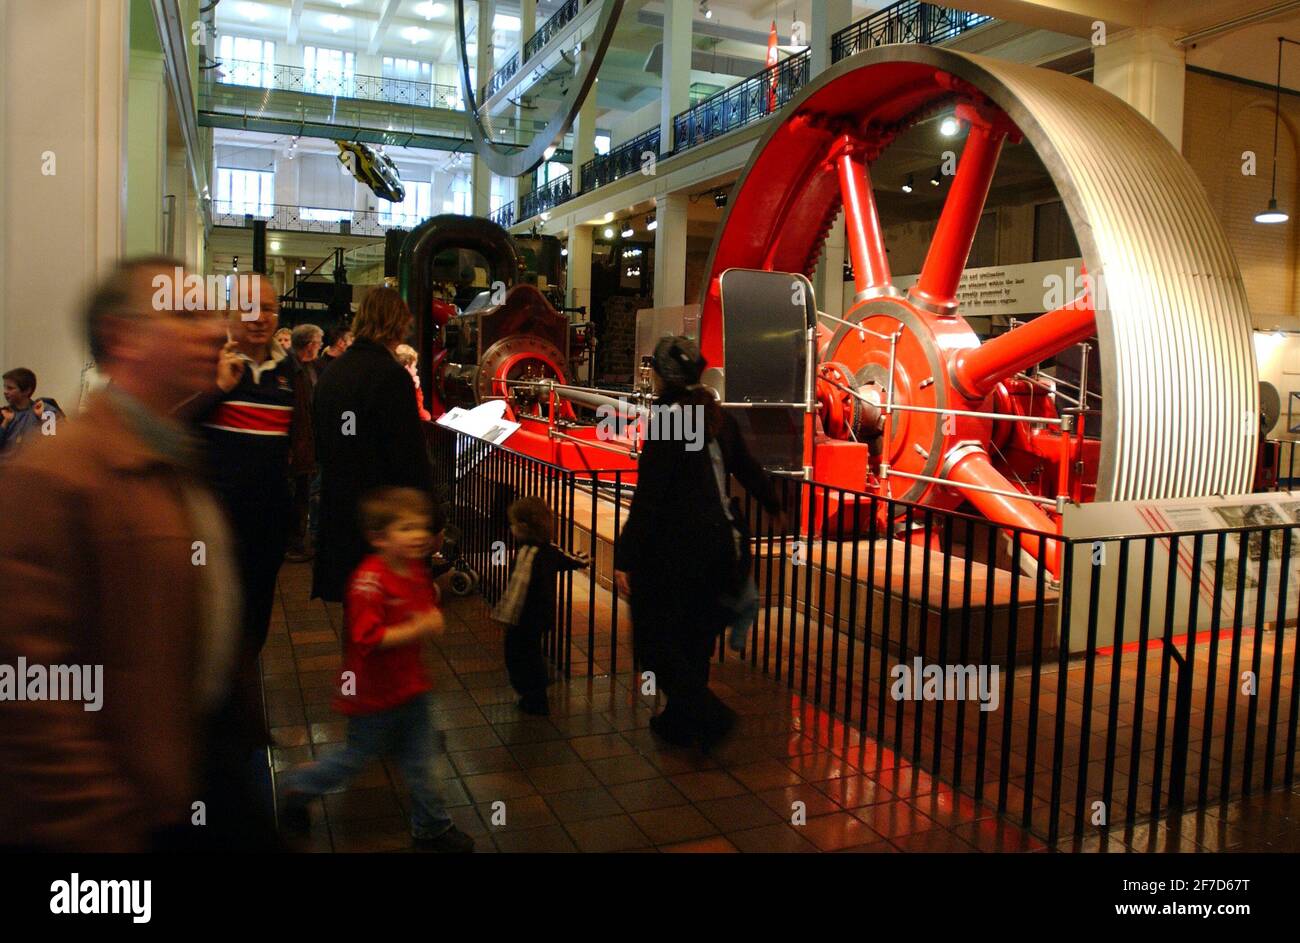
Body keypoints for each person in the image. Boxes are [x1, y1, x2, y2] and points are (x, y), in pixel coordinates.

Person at [0, 256, 243, 851]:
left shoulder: (171, 450)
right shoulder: (56, 475)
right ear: (123, 338)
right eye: (188, 314)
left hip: (197, 774)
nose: (216, 329)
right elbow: (28, 687)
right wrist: (106, 831)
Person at [613, 336, 782, 752]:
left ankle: (708, 715)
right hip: (722, 547)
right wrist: (774, 502)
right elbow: (745, 467)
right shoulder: (714, 415)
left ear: (661, 377)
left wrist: (626, 556)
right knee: (695, 635)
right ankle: (681, 721)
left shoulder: (670, 419)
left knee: (657, 640)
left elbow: (651, 498)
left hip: (677, 553)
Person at [282, 487, 474, 853]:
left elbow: (420, 601)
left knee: (422, 761)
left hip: (411, 688)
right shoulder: (369, 581)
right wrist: (418, 627)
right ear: (379, 537)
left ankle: (431, 828)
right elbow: (366, 638)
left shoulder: (413, 571)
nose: (418, 535)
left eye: (421, 527)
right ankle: (298, 786)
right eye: (406, 528)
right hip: (373, 694)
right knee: (354, 759)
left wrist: (435, 597)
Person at [313, 288, 433, 603]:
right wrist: (433, 519)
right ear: (397, 323)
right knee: (388, 609)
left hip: (340, 507)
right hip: (385, 516)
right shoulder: (391, 376)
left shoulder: (333, 372)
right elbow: (409, 456)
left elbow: (322, 440)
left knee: (357, 607)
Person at [492, 497, 590, 716]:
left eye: (513, 524)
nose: (511, 528)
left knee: (517, 655)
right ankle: (538, 690)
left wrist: (504, 614)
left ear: (523, 528)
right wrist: (584, 559)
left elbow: (517, 589)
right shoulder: (549, 550)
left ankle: (532, 696)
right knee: (533, 653)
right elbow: (570, 559)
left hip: (523, 617)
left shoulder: (527, 554)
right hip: (543, 616)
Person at [286, 323, 324, 562]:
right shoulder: (291, 369)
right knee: (295, 496)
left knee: (303, 493)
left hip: (306, 442)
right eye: (318, 343)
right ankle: (293, 544)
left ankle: (297, 542)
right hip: (296, 445)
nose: (320, 347)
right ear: (310, 345)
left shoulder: (311, 367)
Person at [0, 367, 64, 456]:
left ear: (27, 391)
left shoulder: (46, 410)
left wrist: (42, 417)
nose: (5, 392)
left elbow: (56, 442)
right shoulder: (3, 413)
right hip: (7, 467)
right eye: (5, 387)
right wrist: (4, 424)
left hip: (33, 466)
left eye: (10, 388)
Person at [395, 343, 432, 422]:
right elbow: (423, 416)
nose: (416, 370)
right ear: (407, 367)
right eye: (414, 366)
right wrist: (416, 389)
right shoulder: (407, 388)